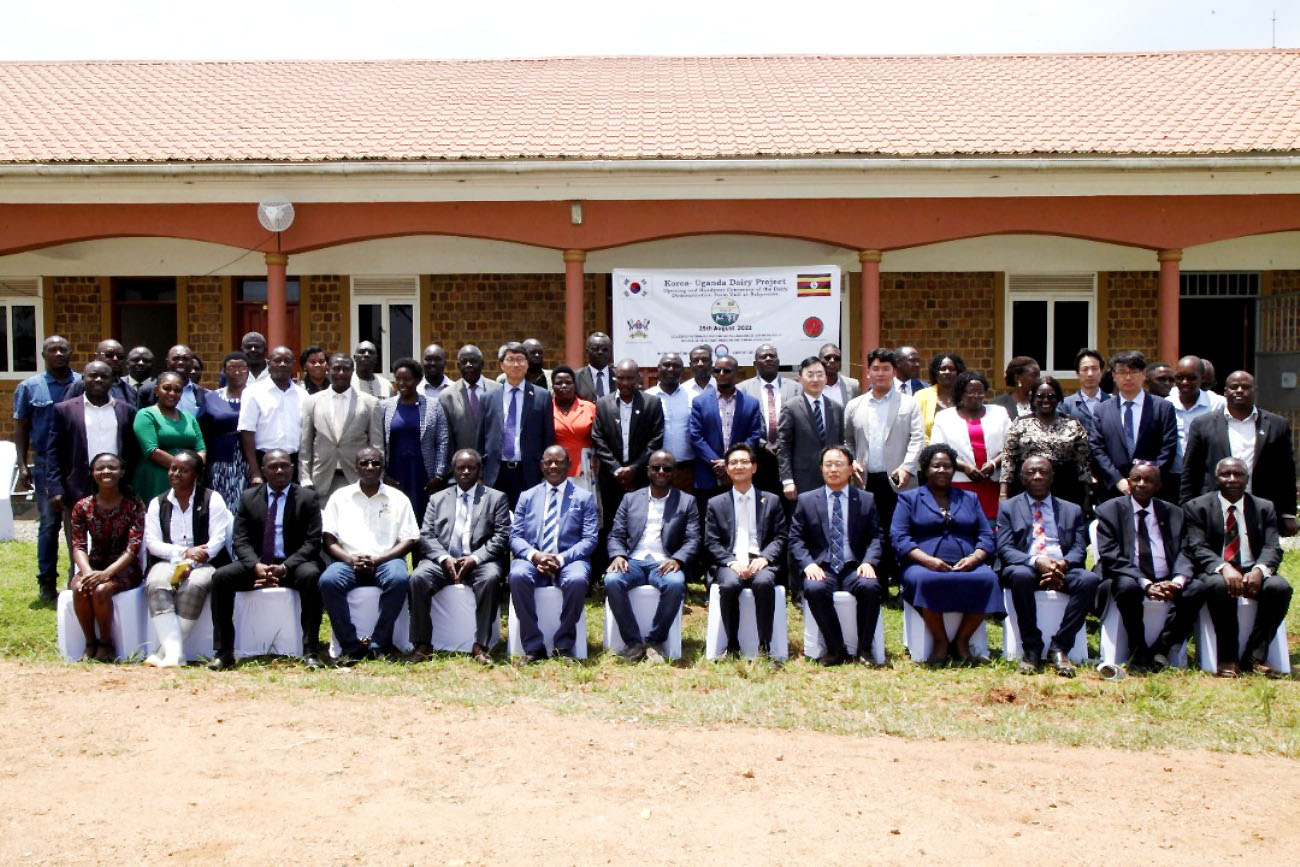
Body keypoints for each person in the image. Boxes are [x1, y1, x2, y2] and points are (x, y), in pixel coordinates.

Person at [208, 450, 325, 670]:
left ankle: (311, 651)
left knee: (312, 576)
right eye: (273, 466)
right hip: (258, 564)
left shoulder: (308, 498)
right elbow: (240, 540)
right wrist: (255, 566)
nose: (279, 470)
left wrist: (285, 567)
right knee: (221, 577)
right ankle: (223, 653)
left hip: (294, 565)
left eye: (284, 465)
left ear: (292, 468)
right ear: (263, 470)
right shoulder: (248, 497)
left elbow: (312, 542)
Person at [891, 443, 1001, 664]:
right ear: (924, 470)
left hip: (966, 562)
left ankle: (962, 641)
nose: (942, 470)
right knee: (927, 581)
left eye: (947, 466)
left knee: (988, 579)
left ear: (954, 470)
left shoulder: (969, 498)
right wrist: (928, 561)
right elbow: (899, 538)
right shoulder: (909, 499)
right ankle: (940, 643)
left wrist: (975, 558)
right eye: (936, 466)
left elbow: (986, 535)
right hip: (922, 564)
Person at [995, 456, 1101, 677]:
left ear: (1052, 478)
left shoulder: (1072, 510)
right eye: (1031, 472)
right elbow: (1005, 548)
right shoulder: (1008, 508)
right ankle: (1032, 648)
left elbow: (1079, 548)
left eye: (1043, 472)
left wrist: (1062, 564)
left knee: (1089, 580)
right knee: (1021, 576)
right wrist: (1036, 562)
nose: (1037, 476)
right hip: (1026, 567)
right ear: (1022, 479)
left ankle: (1060, 647)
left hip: (1062, 568)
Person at [1183, 457, 1288, 677]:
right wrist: (1223, 567)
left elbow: (1272, 547)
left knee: (1279, 588)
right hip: (1216, 571)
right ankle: (1228, 658)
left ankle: (1255, 656)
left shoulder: (1263, 507)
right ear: (1216, 478)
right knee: (1219, 586)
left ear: (1247, 478)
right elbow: (1197, 547)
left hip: (1253, 568)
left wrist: (1259, 570)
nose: (1232, 479)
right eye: (1226, 474)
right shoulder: (1197, 507)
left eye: (1238, 474)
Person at [408, 449, 510, 665]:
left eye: (470, 467)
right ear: (452, 471)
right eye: (460, 468)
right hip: (444, 561)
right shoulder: (437, 499)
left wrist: (475, 558)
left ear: (479, 470)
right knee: (418, 577)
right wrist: (444, 558)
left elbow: (502, 537)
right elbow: (425, 535)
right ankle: (422, 644)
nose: (465, 472)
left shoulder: (495, 498)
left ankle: (480, 645)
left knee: (491, 578)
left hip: (480, 562)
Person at [320, 446, 420, 663]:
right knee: (328, 581)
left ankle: (380, 644)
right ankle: (350, 646)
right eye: (364, 463)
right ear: (356, 467)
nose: (370, 467)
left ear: (383, 467)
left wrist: (380, 559)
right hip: (348, 561)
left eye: (375, 463)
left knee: (399, 579)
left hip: (387, 561)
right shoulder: (340, 497)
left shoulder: (397, 498)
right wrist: (350, 559)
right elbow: (329, 539)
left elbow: (410, 539)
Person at [1094, 462, 1196, 671]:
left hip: (1166, 577)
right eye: (1136, 479)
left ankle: (1161, 649)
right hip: (1127, 575)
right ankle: (1138, 650)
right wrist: (1146, 584)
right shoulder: (1109, 510)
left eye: (1149, 480)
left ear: (1158, 486)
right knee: (1127, 587)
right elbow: (1111, 556)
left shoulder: (1174, 513)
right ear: (1128, 483)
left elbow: (1187, 550)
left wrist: (1177, 581)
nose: (1142, 484)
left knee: (1198, 589)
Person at [604, 450, 699, 663]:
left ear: (674, 473)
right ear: (648, 471)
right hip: (633, 561)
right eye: (656, 467)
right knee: (612, 580)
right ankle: (634, 643)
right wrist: (618, 555)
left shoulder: (687, 502)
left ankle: (655, 641)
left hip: (665, 562)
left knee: (675, 584)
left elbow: (693, 539)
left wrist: (677, 559)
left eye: (667, 468)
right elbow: (616, 534)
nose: (661, 472)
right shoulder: (630, 499)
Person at [790, 445, 882, 665]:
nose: (833, 469)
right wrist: (808, 564)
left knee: (870, 587)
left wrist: (869, 562)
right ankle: (835, 648)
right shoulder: (807, 500)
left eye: (839, 464)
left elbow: (877, 537)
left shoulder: (866, 500)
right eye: (828, 464)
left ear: (851, 469)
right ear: (821, 469)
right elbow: (795, 539)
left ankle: (865, 649)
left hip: (854, 565)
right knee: (814, 588)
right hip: (823, 566)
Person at [843, 348, 925, 589]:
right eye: (875, 369)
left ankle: (902, 580)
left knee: (899, 530)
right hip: (866, 480)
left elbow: (917, 438)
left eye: (886, 369)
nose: (880, 374)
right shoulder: (855, 405)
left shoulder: (909, 404)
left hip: (900, 479)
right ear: (868, 373)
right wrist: (853, 462)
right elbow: (847, 440)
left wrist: (908, 467)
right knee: (872, 531)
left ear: (894, 372)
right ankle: (875, 579)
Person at [142, 450, 232, 667]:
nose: (176, 474)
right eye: (173, 469)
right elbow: (152, 543)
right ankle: (175, 655)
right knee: (157, 584)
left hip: (206, 562)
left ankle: (166, 652)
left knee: (194, 586)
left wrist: (193, 559)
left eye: (184, 470)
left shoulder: (212, 499)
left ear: (196, 475)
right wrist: (183, 553)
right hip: (168, 561)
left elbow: (218, 539)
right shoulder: (157, 503)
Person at [508, 446, 598, 663]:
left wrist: (560, 559)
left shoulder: (584, 498)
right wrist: (535, 556)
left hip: (569, 559)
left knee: (577, 580)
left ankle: (564, 645)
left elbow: (590, 539)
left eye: (559, 462)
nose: (554, 466)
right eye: (548, 462)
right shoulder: (527, 497)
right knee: (518, 576)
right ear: (541, 466)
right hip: (534, 559)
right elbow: (515, 536)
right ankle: (533, 646)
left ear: (568, 464)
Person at [1181, 370, 1297, 535]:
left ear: (1255, 391)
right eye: (1234, 387)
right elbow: (1190, 470)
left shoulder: (1277, 425)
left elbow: (1286, 472)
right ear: (1225, 392)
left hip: (1260, 508)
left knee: (1258, 559)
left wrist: (1288, 512)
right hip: (1214, 508)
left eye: (1246, 387)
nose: (1240, 390)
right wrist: (1187, 508)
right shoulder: (1202, 424)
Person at [12, 335, 80, 600]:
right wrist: (22, 463)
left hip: (76, 463)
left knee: (79, 523)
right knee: (50, 524)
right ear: (43, 355)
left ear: (71, 352)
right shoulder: (30, 387)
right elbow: (20, 428)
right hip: (45, 464)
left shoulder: (83, 383)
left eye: (63, 349)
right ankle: (46, 582)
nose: (59, 353)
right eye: (53, 350)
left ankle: (77, 575)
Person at [705, 444, 786, 659]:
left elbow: (780, 537)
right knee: (730, 584)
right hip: (730, 562)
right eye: (733, 462)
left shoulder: (772, 500)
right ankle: (732, 646)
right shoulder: (715, 503)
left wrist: (765, 557)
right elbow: (711, 542)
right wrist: (731, 562)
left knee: (764, 582)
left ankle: (765, 647)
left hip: (760, 561)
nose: (739, 466)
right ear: (727, 469)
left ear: (754, 468)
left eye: (744, 462)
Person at [67, 453, 146, 662]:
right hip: (93, 564)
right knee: (80, 588)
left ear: (122, 473)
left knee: (102, 590)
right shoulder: (82, 507)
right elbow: (78, 545)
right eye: (100, 468)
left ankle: (106, 643)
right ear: (93, 474)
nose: (106, 472)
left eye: (112, 467)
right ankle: (89, 642)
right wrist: (87, 573)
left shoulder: (134, 505)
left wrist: (107, 574)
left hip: (124, 568)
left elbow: (133, 548)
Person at [48, 360, 137, 533]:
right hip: (77, 486)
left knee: (115, 540)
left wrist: (128, 483)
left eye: (104, 376)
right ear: (83, 379)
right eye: (93, 375)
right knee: (78, 543)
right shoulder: (64, 410)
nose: (98, 380)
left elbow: (132, 452)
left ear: (112, 380)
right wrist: (55, 488)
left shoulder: (126, 411)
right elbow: (54, 452)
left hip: (116, 486)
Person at [592, 359, 665, 563]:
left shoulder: (651, 403)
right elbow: (598, 439)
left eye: (629, 378)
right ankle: (610, 563)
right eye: (620, 378)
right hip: (611, 477)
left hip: (641, 476)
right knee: (611, 520)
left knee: (639, 519)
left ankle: (638, 561)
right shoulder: (603, 403)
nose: (624, 383)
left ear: (638, 379)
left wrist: (634, 469)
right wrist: (617, 469)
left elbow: (656, 439)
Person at [1088, 350, 1178, 502]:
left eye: (1133, 372)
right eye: (1122, 372)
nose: (1128, 377)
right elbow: (1097, 448)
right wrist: (1117, 480)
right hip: (1114, 491)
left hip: (1154, 491)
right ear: (1114, 376)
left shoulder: (1163, 408)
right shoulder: (1101, 410)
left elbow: (1168, 447)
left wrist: (1149, 478)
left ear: (1144, 374)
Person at [373, 357, 451, 520]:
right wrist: (383, 474)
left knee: (422, 515)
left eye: (407, 379)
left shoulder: (433, 406)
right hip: (395, 472)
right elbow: (378, 442)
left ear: (417, 380)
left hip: (422, 472)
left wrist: (438, 475)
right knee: (394, 514)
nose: (402, 383)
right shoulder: (385, 407)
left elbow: (443, 441)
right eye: (398, 379)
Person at [480, 342, 555, 508]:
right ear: (501, 365)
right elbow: (480, 437)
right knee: (497, 523)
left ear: (527, 364)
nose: (515, 364)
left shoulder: (541, 397)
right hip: (496, 473)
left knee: (528, 522)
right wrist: (480, 472)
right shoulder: (488, 398)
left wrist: (547, 471)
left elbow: (548, 437)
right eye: (510, 359)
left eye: (520, 359)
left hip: (529, 472)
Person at [930, 370, 1010, 522]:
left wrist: (994, 463)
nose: (976, 396)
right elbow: (937, 449)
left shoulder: (999, 413)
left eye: (980, 392)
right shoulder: (945, 417)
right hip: (959, 483)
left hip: (992, 484)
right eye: (971, 392)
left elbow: (1011, 446)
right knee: (963, 525)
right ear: (961, 393)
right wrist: (964, 467)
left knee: (992, 527)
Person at [1000, 377, 1092, 508]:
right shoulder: (1020, 424)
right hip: (1027, 484)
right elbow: (1008, 459)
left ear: (1059, 397)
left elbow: (1083, 462)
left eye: (1051, 396)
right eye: (1040, 396)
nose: (1046, 400)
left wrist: (1087, 494)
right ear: (1033, 398)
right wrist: (1003, 493)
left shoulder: (1072, 424)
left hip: (1065, 487)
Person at [300, 353, 381, 499]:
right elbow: (305, 445)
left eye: (346, 369)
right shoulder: (312, 402)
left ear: (352, 371)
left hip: (358, 478)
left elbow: (377, 445)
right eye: (336, 369)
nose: (341, 373)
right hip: (322, 479)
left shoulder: (370, 403)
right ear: (328, 369)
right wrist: (305, 478)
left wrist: (377, 477)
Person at [688, 354, 764, 502]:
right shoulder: (699, 402)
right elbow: (696, 436)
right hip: (708, 474)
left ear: (736, 372)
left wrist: (731, 462)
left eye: (727, 371)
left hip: (740, 473)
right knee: (708, 521)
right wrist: (717, 463)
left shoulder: (750, 403)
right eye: (717, 371)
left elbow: (754, 436)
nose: (721, 374)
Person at [132, 371, 206, 504]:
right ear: (156, 390)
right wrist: (184, 470)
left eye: (177, 390)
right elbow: (151, 450)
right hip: (156, 478)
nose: (172, 393)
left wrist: (193, 472)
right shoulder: (145, 415)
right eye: (167, 388)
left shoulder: (189, 418)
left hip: (187, 480)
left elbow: (201, 448)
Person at [778, 355, 845, 501]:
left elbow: (841, 444)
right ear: (800, 379)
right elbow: (783, 447)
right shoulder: (791, 407)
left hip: (832, 478)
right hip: (801, 480)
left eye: (820, 375)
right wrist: (787, 480)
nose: (815, 379)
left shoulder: (836, 408)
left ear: (826, 379)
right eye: (810, 375)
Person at [239, 345, 307, 486]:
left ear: (293, 365)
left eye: (287, 361)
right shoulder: (253, 392)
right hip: (263, 462)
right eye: (277, 360)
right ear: (268, 364)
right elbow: (247, 433)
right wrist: (256, 472)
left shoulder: (303, 395)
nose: (282, 364)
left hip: (293, 462)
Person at [738, 343, 800, 494]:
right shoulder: (742, 389)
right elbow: (742, 424)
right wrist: (763, 444)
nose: (768, 359)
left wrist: (782, 444)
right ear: (755, 364)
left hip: (789, 458)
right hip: (757, 458)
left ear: (778, 362)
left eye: (772, 356)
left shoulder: (796, 388)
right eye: (763, 356)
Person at [200, 352, 251, 515]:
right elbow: (203, 430)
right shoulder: (210, 397)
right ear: (224, 370)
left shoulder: (257, 396)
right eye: (232, 367)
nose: (237, 372)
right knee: (219, 506)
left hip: (249, 461)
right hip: (220, 462)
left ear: (248, 371)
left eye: (242, 367)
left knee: (245, 505)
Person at [1165, 355, 1225, 475]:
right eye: (1179, 377)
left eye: (1191, 378)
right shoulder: (1166, 404)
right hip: (1172, 476)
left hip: (1205, 476)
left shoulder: (1218, 404)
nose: (1185, 382)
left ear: (1202, 378)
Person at [439, 344, 499, 460]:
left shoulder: (498, 390)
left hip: (494, 466)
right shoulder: (447, 396)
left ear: (482, 364)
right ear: (458, 366)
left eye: (473, 361)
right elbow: (446, 439)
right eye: (464, 362)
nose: (468, 365)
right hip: (462, 468)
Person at [646, 352, 696, 492]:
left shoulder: (692, 396)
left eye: (676, 366)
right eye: (667, 365)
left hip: (686, 469)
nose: (671, 369)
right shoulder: (647, 397)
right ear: (658, 368)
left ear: (683, 370)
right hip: (657, 470)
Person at [550, 365, 598, 492]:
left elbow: (598, 438)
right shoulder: (546, 408)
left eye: (568, 382)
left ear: (575, 385)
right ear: (553, 386)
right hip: (555, 465)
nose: (564, 386)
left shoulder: (589, 407)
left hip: (584, 464)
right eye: (559, 383)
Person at [137, 344, 208, 417]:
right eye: (176, 358)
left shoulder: (203, 394)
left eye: (185, 358)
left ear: (192, 364)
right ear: (167, 363)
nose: (180, 362)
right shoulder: (147, 391)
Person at [63, 339, 137, 407]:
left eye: (120, 357)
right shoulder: (80, 386)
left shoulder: (129, 390)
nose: (115, 359)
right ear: (96, 357)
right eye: (109, 355)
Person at [913, 352, 965, 443]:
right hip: (929, 451)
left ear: (958, 372)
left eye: (951, 369)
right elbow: (915, 430)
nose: (947, 372)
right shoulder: (921, 396)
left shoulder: (966, 396)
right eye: (943, 369)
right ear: (935, 373)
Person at [1060, 348, 1108, 428]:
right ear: (1077, 373)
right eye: (1085, 369)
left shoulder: (1113, 403)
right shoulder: (1066, 405)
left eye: (1094, 368)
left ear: (1102, 372)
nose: (1090, 374)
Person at [990, 356, 1040, 421]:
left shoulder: (1039, 402)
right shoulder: (999, 404)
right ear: (1017, 378)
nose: (1038, 380)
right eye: (1034, 375)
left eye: (1038, 375)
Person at [574, 331, 614, 401]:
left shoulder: (618, 377)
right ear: (587, 351)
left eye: (605, 349)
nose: (600, 352)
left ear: (610, 352)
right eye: (595, 349)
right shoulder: (576, 377)